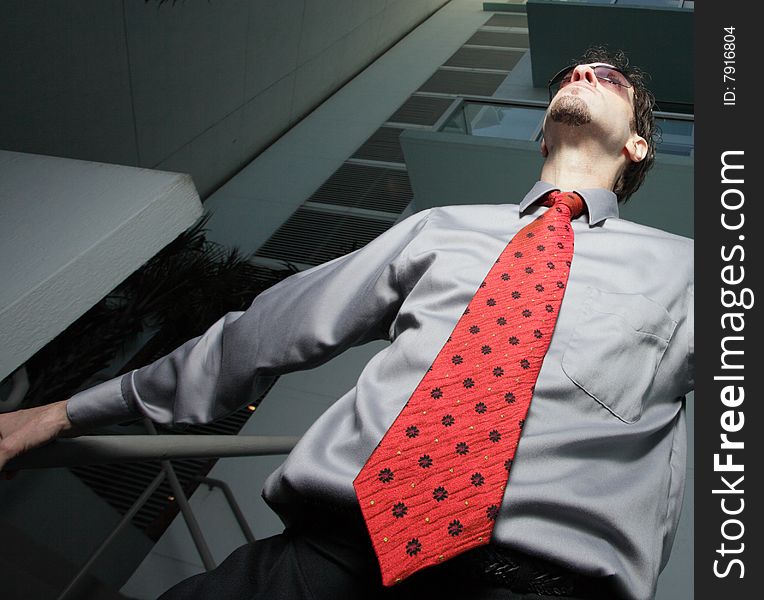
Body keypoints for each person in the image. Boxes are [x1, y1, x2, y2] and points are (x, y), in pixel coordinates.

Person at [0, 47, 692, 600]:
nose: (578, 74)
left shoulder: (687, 270)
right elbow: (265, 330)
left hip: (537, 582)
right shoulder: (439, 229)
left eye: (605, 79)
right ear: (542, 131)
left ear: (636, 146)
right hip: (324, 558)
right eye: (572, 74)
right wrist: (67, 411)